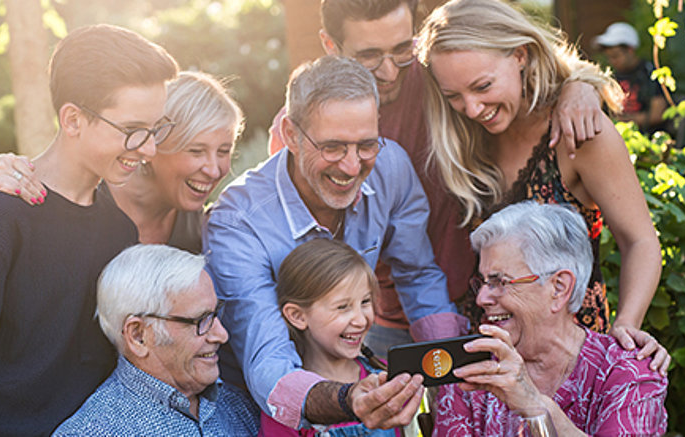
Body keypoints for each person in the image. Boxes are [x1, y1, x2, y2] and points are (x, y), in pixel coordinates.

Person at [269, 0, 612, 359]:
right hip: (375, 316)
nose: (389, 71)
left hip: (471, 304)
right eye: (368, 56)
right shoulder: (306, 128)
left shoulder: (438, 79)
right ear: (331, 45)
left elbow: (512, 66)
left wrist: (580, 84)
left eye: (402, 49)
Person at [0, 24, 178, 436]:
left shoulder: (119, 231)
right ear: (73, 119)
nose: (149, 149)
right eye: (133, 130)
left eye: (156, 128)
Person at [417, 0, 669, 374]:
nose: (471, 108)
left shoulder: (577, 131)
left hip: (568, 361)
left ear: (520, 55)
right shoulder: (463, 137)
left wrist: (625, 330)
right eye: (454, 96)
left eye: (482, 86)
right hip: (488, 358)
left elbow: (641, 242)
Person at [207, 55, 442, 431]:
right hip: (262, 407)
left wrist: (447, 380)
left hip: (354, 377)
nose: (352, 167)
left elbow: (418, 275)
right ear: (291, 135)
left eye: (366, 145)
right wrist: (349, 400)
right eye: (332, 148)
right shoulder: (238, 221)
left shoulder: (392, 165)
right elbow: (267, 360)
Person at [433, 201, 668, 436]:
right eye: (482, 283)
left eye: (499, 282)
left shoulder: (628, 371)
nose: (481, 298)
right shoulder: (471, 372)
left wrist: (536, 408)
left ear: (558, 288)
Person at [0, 70, 244, 253]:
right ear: (154, 140)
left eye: (223, 151)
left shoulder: (206, 229)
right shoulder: (80, 197)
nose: (214, 169)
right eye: (196, 151)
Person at [53, 244, 260, 436]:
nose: (222, 335)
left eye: (215, 315)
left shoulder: (239, 406)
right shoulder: (90, 432)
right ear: (138, 336)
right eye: (201, 320)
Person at [258, 239, 397, 436]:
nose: (360, 320)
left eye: (365, 302)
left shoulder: (384, 375)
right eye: (342, 307)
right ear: (298, 316)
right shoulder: (285, 405)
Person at [594, 22, 668, 135]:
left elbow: (657, 114)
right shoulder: (612, 77)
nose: (612, 61)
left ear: (630, 50)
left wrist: (623, 121)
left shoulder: (650, 73)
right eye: (609, 57)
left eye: (615, 56)